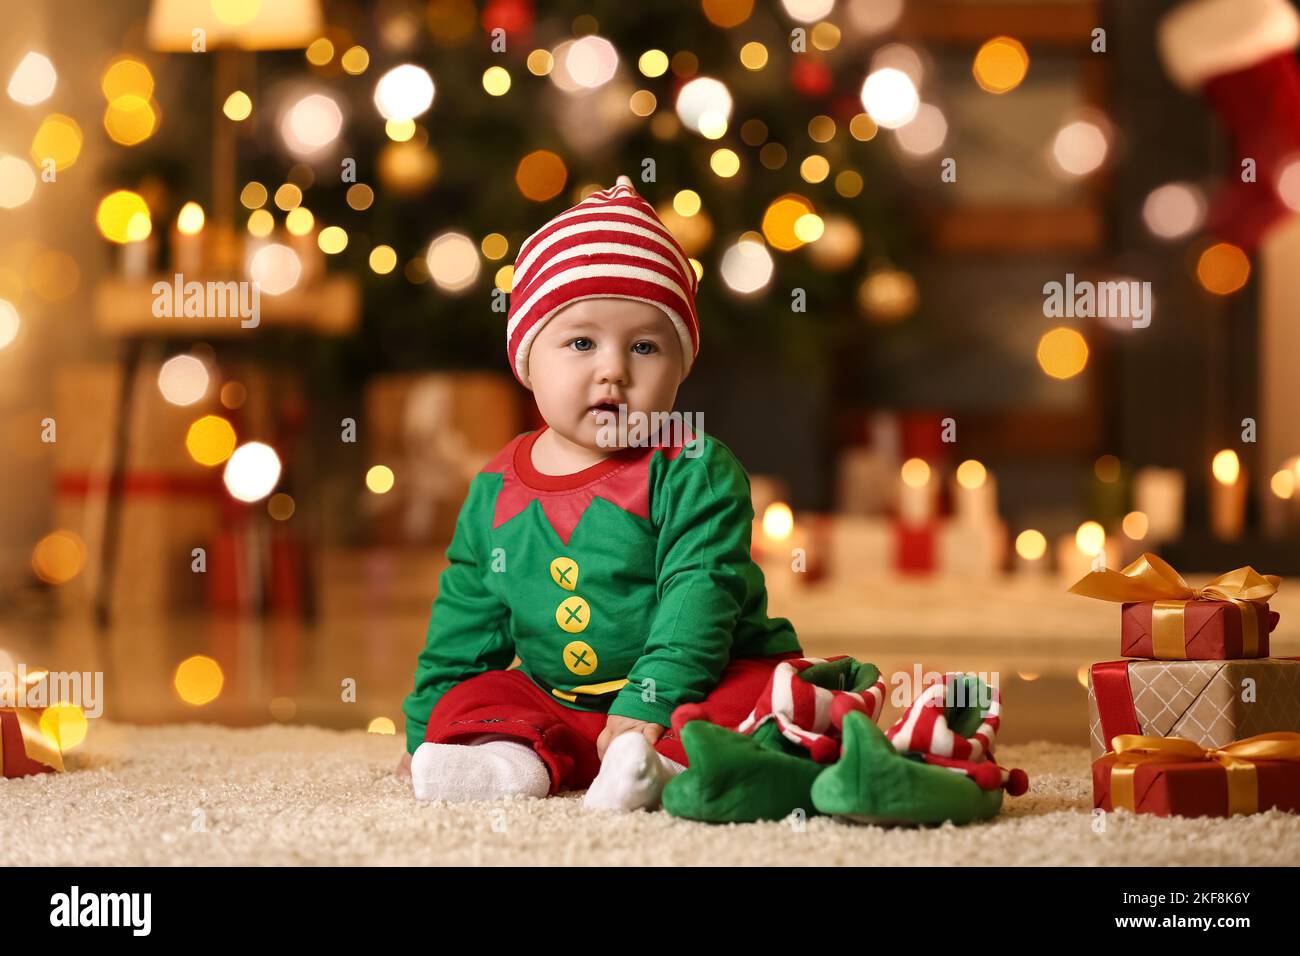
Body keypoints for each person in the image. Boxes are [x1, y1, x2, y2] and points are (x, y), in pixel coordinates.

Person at [398, 177, 802, 811]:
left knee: (759, 696)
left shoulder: (694, 465)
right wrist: (427, 728)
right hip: (560, 697)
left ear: (681, 366)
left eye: (644, 346)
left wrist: (653, 698)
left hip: (693, 680)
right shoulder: (496, 486)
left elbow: (701, 590)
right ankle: (506, 761)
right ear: (529, 362)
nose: (613, 368)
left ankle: (660, 768)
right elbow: (467, 618)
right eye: (581, 342)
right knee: (477, 699)